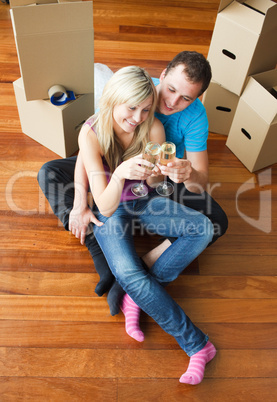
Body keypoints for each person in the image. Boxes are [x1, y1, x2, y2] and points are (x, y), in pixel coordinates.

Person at [37, 51, 228, 315]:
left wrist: (188, 174)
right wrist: (81, 203)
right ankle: (94, 237)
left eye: (186, 98)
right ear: (161, 76)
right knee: (49, 172)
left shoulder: (196, 118)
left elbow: (201, 181)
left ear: (197, 98)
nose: (173, 102)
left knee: (217, 220)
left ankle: (145, 263)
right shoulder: (132, 88)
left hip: (159, 176)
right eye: (170, 89)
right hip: (113, 162)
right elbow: (90, 139)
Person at [75, 65, 216, 385]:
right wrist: (123, 172)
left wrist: (163, 172)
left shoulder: (152, 129)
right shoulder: (91, 133)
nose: (138, 117)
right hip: (111, 206)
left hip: (140, 198)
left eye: (145, 109)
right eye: (131, 108)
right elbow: (105, 204)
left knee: (203, 228)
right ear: (112, 100)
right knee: (128, 272)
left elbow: (152, 185)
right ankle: (198, 345)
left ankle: (136, 297)